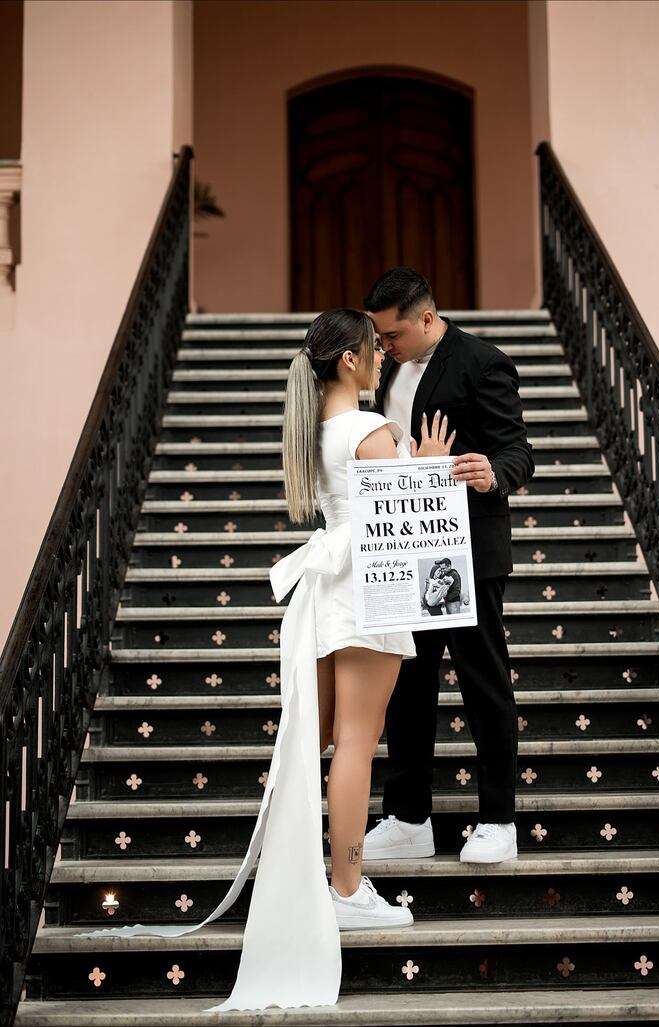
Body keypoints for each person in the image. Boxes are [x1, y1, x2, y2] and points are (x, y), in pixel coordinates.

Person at [74, 308, 455, 1011]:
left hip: (325, 593)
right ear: (348, 360)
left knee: (332, 742)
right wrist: (426, 469)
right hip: (366, 592)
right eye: (373, 349)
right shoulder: (371, 430)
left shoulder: (319, 432)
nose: (380, 358)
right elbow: (399, 524)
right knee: (359, 745)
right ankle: (346, 887)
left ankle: (332, 879)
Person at [363, 268, 535, 865]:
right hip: (405, 548)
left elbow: (518, 449)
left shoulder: (482, 362)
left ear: (428, 318)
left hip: (469, 551)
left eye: (393, 335)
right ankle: (409, 816)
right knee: (408, 686)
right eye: (379, 338)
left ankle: (498, 821)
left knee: (482, 682)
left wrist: (493, 471)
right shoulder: (387, 370)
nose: (385, 347)